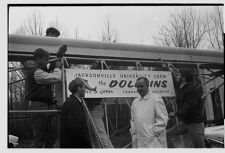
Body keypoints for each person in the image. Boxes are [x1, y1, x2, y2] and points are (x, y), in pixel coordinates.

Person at [23, 48, 62, 148]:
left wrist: (57, 59)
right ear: (38, 59)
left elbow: (48, 72)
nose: (48, 62)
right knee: (40, 137)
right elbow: (56, 78)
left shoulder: (37, 70)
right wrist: (57, 68)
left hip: (45, 104)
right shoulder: (36, 72)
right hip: (39, 104)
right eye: (46, 59)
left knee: (49, 136)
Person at [166, 70, 205, 148]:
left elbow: (188, 107)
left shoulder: (191, 90)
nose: (176, 76)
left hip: (195, 124)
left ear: (183, 78)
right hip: (186, 123)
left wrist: (175, 114)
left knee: (200, 148)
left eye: (178, 75)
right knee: (165, 135)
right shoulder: (183, 89)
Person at [130, 77, 168, 148]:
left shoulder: (156, 99)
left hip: (154, 141)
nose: (139, 89)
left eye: (141, 86)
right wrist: (134, 133)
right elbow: (133, 120)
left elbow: (163, 120)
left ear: (147, 86)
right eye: (137, 87)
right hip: (139, 141)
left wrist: (152, 133)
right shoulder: (135, 102)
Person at [84, 60, 114, 148]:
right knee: (93, 137)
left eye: (94, 68)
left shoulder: (100, 80)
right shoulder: (91, 79)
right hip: (90, 109)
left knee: (100, 135)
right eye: (92, 68)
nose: (92, 70)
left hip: (95, 108)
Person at [60, 78, 92, 148]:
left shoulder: (73, 102)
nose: (85, 90)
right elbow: (76, 128)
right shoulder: (74, 104)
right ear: (79, 88)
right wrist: (87, 144)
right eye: (84, 87)